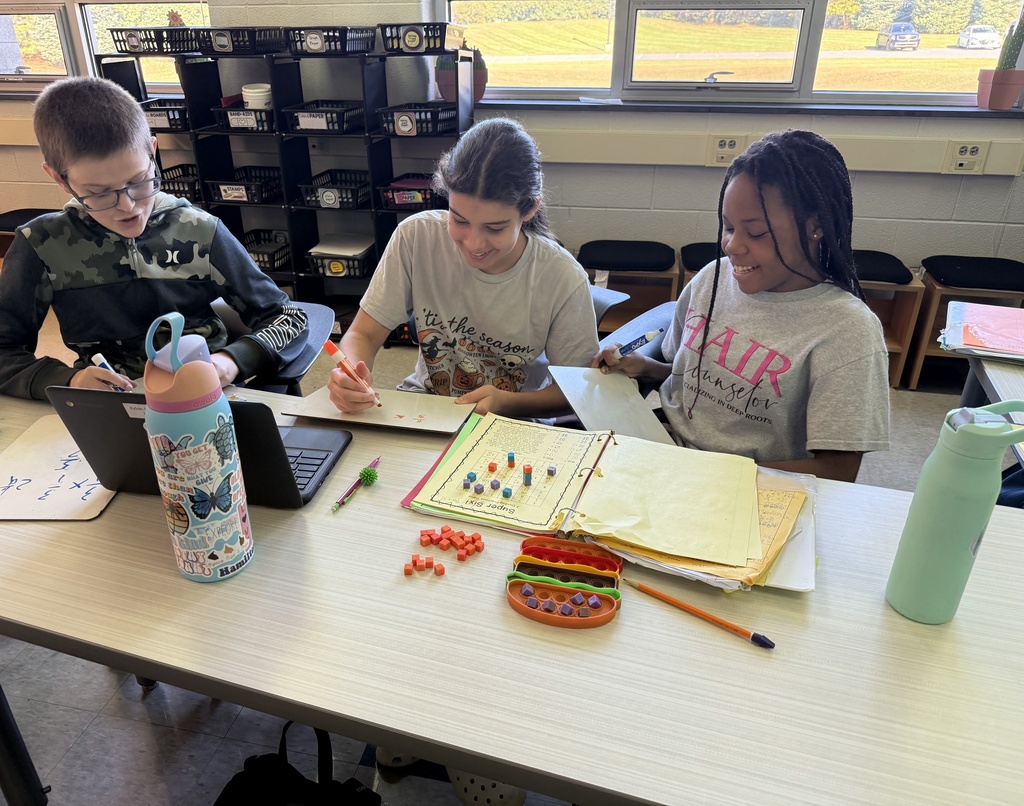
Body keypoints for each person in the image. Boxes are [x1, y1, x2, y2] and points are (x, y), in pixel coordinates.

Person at [594, 129, 890, 482]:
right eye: (729, 226)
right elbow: (685, 374)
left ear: (815, 228)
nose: (733, 246)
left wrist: (705, 474)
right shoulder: (713, 278)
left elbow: (836, 472)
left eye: (756, 232)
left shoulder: (846, 330)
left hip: (747, 486)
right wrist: (643, 367)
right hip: (663, 451)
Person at [0, 77, 309, 400]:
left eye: (139, 182)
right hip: (110, 405)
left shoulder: (199, 229)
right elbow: (4, 350)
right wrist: (69, 380)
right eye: (99, 193)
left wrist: (232, 361)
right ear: (59, 179)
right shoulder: (40, 245)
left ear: (153, 151)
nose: (128, 207)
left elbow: (288, 318)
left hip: (205, 395)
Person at [327, 117, 598, 419]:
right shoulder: (416, 236)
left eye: (494, 228)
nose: (473, 244)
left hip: (512, 423)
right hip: (425, 407)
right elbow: (363, 333)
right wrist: (350, 373)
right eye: (459, 221)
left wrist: (507, 402)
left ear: (529, 210)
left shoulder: (562, 277)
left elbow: (577, 392)